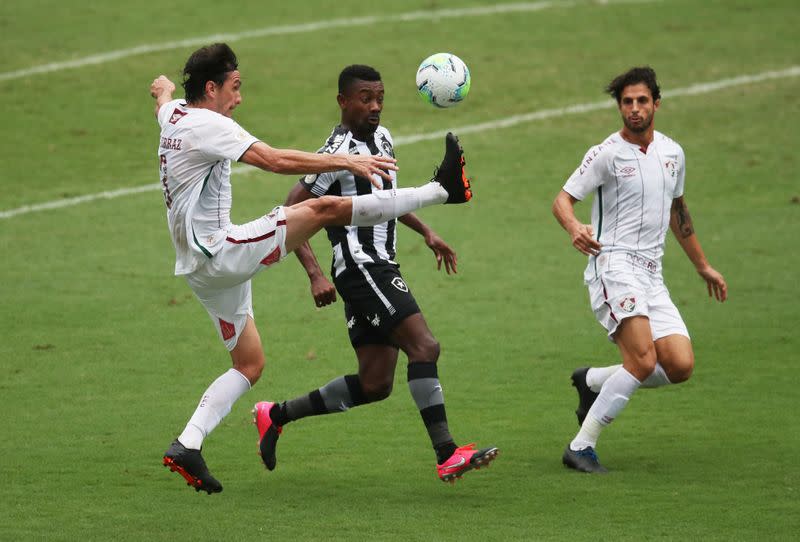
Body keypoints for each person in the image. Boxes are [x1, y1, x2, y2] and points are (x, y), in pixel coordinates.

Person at [151, 44, 473, 493]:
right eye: (235, 87)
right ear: (212, 87)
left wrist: (163, 90)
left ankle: (188, 443)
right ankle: (442, 190)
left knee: (249, 363)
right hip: (222, 252)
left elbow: (164, 101)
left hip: (197, 269)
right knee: (323, 209)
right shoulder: (208, 124)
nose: (239, 98)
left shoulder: (174, 116)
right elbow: (276, 161)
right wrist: (346, 160)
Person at [251, 65, 498, 484]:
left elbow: (385, 200)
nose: (375, 106)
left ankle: (275, 415)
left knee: (375, 383)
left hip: (380, 265)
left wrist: (427, 232)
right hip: (362, 268)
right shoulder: (335, 152)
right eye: (365, 98)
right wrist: (314, 273)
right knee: (425, 347)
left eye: (379, 97)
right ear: (343, 101)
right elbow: (290, 215)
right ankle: (447, 453)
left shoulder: (382, 139)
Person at [552, 66, 728, 473]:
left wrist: (702, 265)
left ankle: (592, 381)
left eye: (641, 101)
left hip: (652, 273)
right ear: (620, 107)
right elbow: (562, 200)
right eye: (627, 102)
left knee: (679, 365)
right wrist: (574, 227)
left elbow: (677, 211)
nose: (634, 109)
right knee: (643, 361)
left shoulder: (672, 153)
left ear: (656, 104)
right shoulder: (606, 154)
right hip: (612, 265)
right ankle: (581, 446)